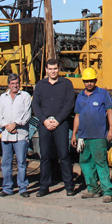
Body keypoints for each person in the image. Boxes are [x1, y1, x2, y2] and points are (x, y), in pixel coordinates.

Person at [32, 58, 77, 197]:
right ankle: (44, 186)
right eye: (50, 69)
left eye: (55, 69)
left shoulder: (66, 84)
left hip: (61, 124)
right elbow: (35, 105)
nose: (53, 71)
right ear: (46, 70)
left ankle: (69, 185)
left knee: (64, 155)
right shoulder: (40, 85)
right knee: (45, 156)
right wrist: (44, 121)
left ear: (59, 69)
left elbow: (70, 103)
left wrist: (58, 120)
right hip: (44, 124)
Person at [71, 68, 112, 203]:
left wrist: (111, 129)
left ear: (95, 80)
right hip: (83, 136)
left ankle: (107, 191)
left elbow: (110, 112)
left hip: (98, 136)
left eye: (91, 81)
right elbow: (77, 116)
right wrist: (74, 135)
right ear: (83, 81)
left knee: (101, 162)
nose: (89, 83)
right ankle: (93, 189)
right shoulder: (80, 96)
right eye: (86, 81)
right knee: (85, 163)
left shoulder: (103, 94)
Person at [0, 73, 32, 197]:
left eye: (17, 83)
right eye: (12, 84)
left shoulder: (25, 96)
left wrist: (15, 124)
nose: (15, 86)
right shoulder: (2, 98)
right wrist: (8, 126)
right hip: (6, 135)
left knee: (21, 163)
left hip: (20, 135)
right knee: (6, 163)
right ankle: (7, 188)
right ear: (8, 85)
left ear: (20, 83)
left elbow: (27, 114)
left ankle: (23, 188)